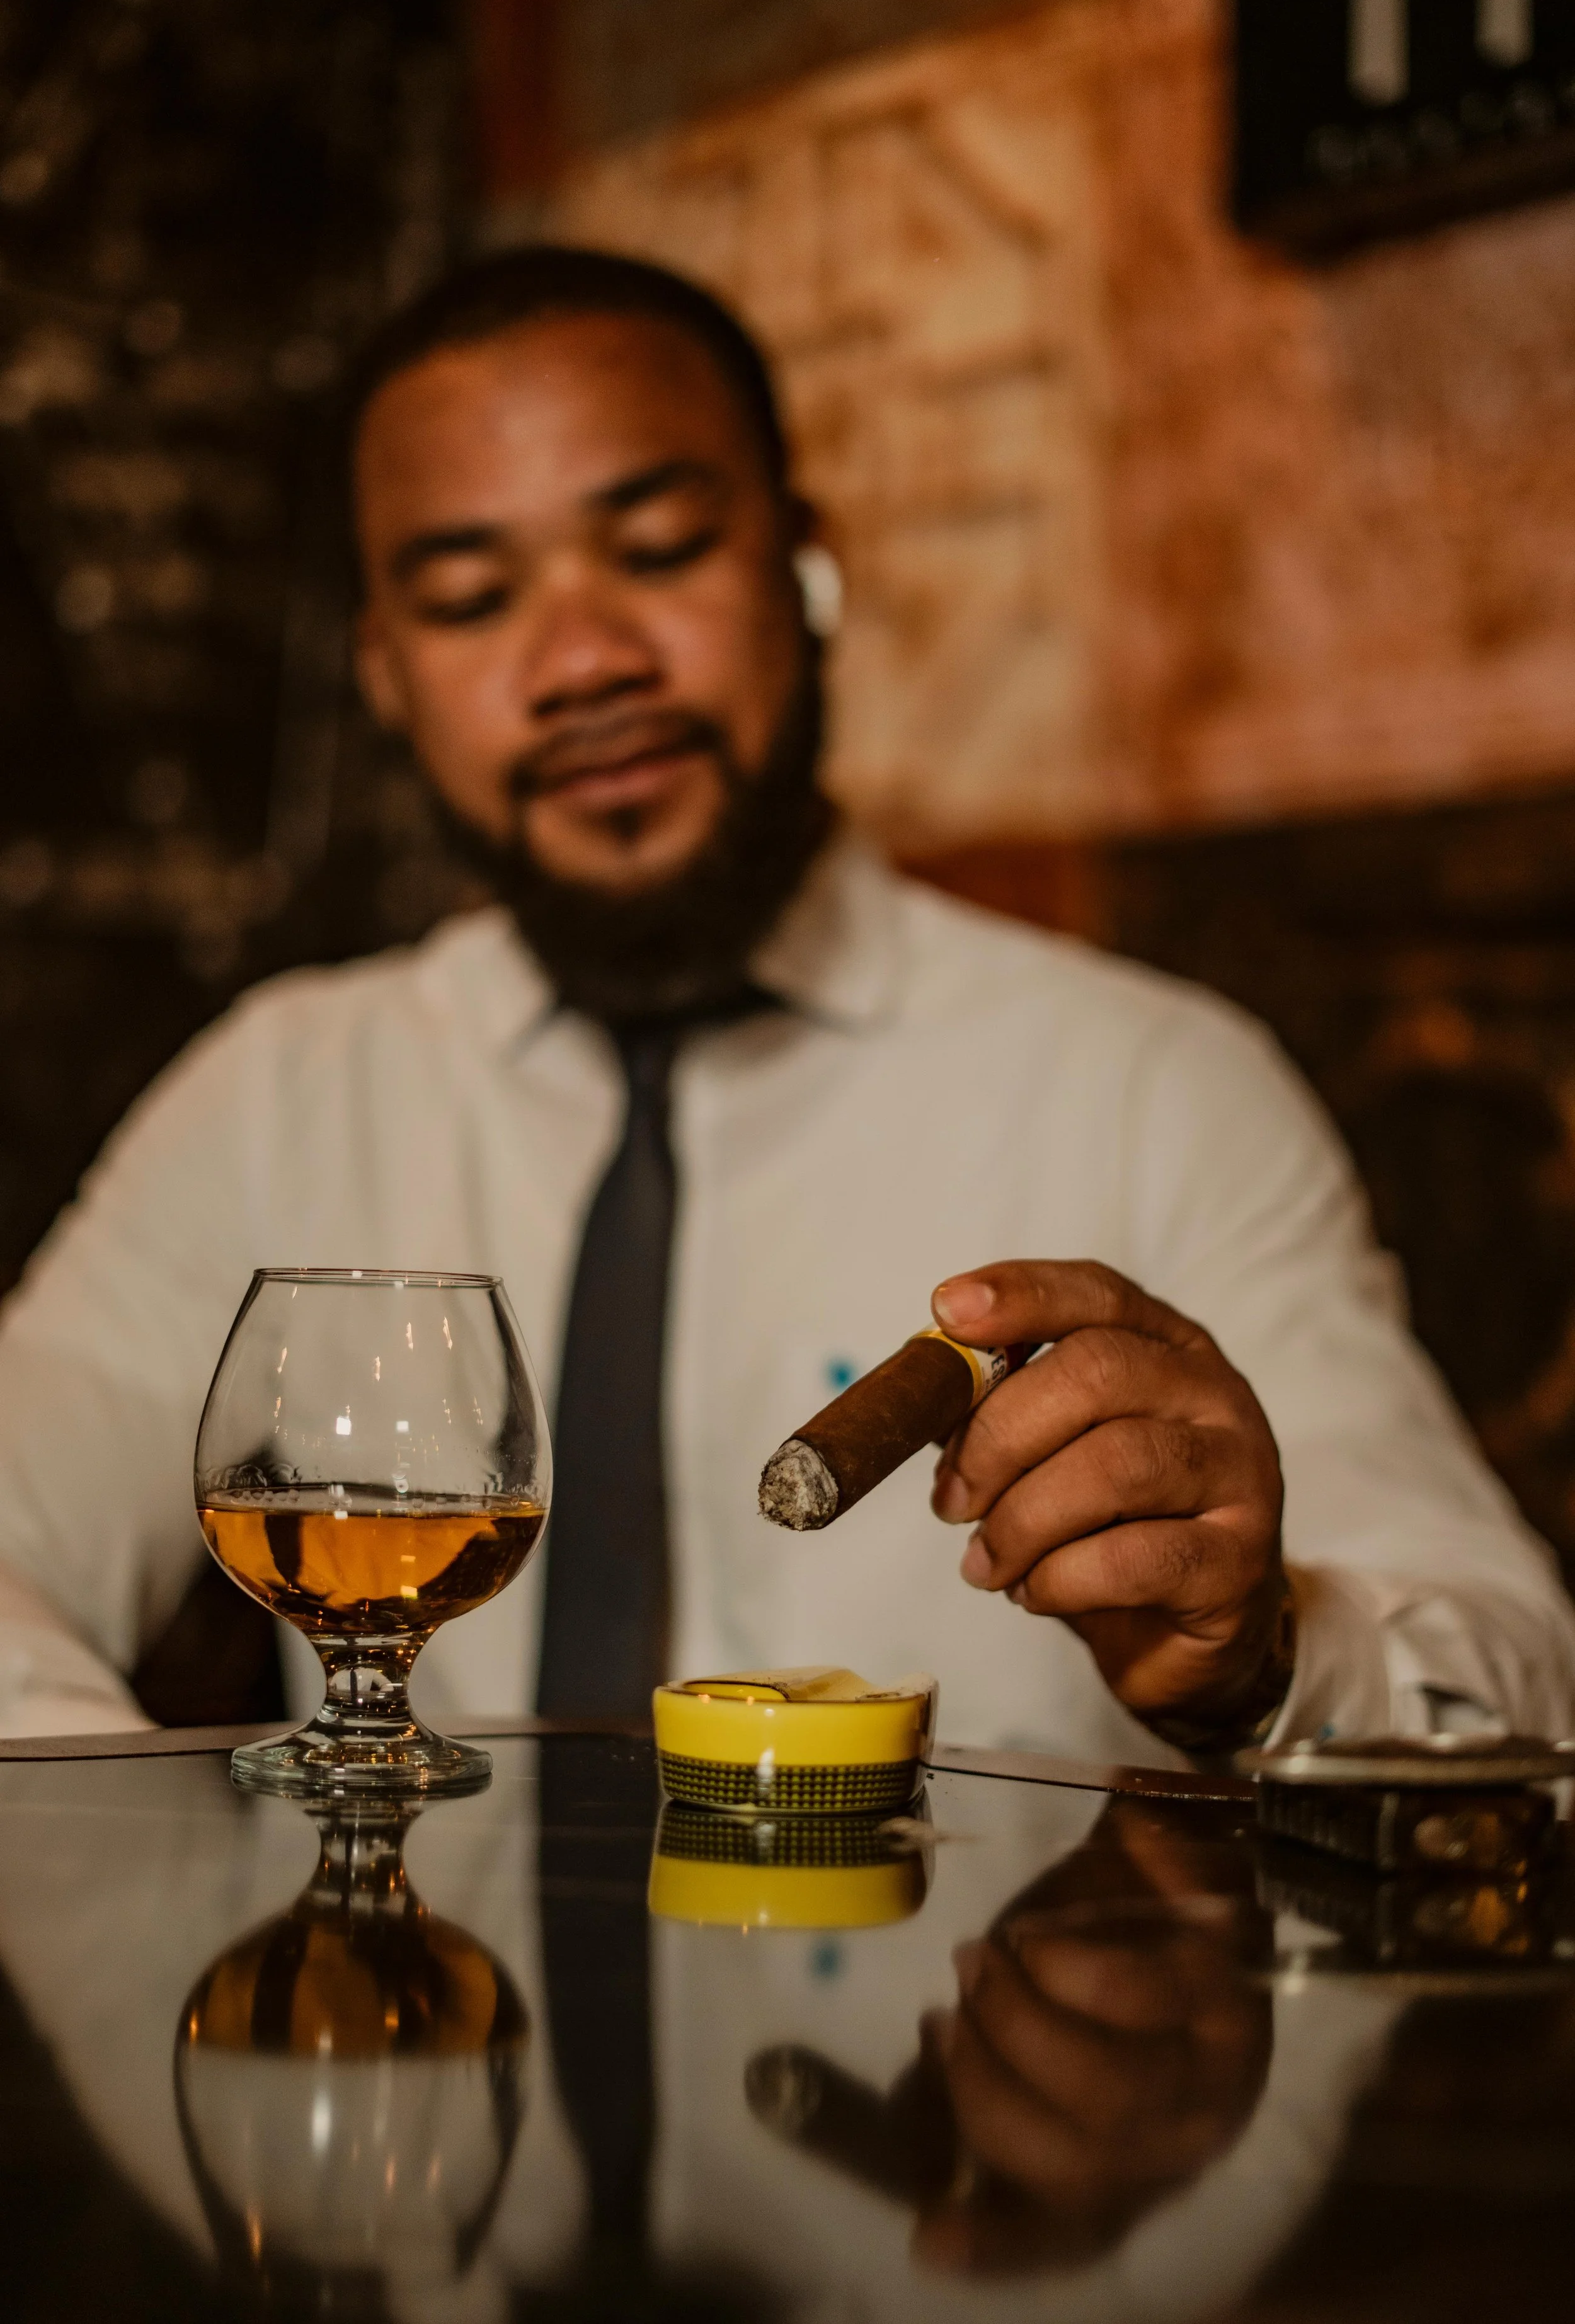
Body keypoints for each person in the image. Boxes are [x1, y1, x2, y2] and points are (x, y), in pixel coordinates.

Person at [0, 245, 1569, 1758]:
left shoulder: (1153, 1087)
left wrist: (1263, 1656)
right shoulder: (278, 1095)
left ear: (804, 561)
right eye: (472, 598)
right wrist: (150, 1895)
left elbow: (1513, 1681)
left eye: (664, 546)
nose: (583, 658)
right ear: (387, 676)